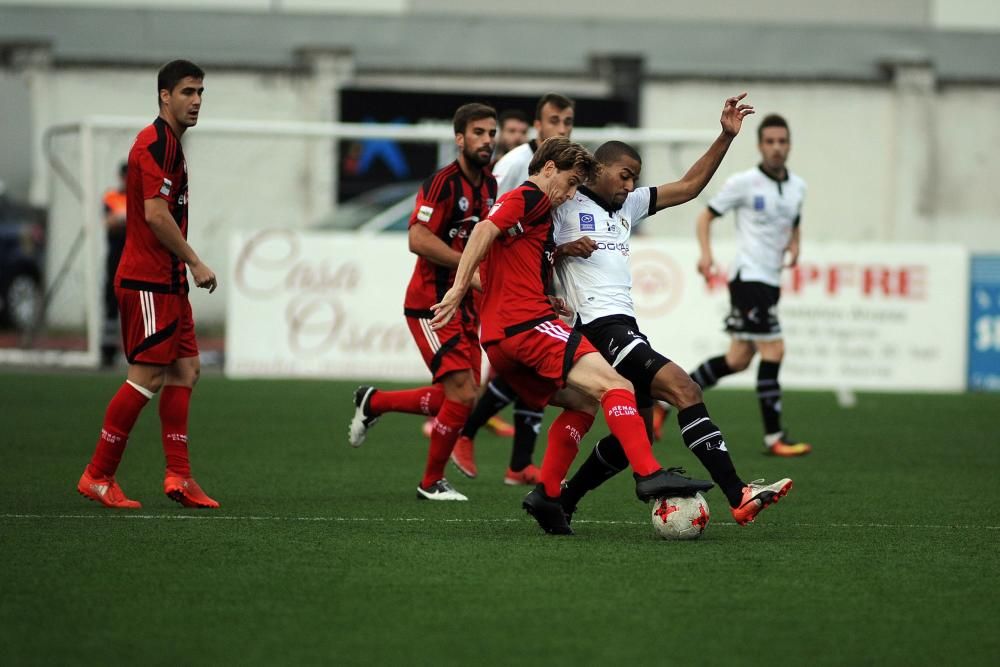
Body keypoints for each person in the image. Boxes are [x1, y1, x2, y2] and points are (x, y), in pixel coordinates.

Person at [431, 137, 713, 535]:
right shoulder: (530, 197)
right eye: (570, 182)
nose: (571, 192)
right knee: (617, 385)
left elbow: (502, 266)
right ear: (548, 170)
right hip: (527, 327)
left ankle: (547, 496)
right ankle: (649, 473)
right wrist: (458, 289)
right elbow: (482, 230)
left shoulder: (540, 218)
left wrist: (545, 294)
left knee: (582, 403)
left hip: (500, 339)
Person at [552, 94, 793, 526]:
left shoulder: (628, 204)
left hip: (623, 325)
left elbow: (689, 186)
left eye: (635, 179)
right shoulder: (566, 203)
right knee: (685, 389)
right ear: (598, 169)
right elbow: (524, 239)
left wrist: (725, 136)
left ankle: (561, 501)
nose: (629, 186)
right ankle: (738, 493)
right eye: (624, 176)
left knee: (637, 437)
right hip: (599, 327)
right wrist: (560, 251)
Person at [76, 59, 219, 509]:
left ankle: (179, 475)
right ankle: (98, 474)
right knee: (149, 375)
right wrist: (195, 261)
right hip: (148, 281)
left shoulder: (172, 146)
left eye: (200, 93)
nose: (196, 101)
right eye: (187, 92)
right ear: (164, 96)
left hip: (168, 282)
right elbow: (156, 215)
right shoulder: (154, 144)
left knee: (186, 369)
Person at [348, 103, 499, 501]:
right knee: (463, 393)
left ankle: (374, 401)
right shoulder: (443, 184)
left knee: (463, 396)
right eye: (479, 133)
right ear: (460, 138)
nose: (487, 140)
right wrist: (466, 266)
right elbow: (417, 237)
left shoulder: (490, 186)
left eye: (491, 133)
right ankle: (430, 482)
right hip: (432, 304)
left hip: (465, 303)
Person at [449, 92, 576, 486]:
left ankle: (518, 463)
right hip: (505, 280)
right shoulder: (519, 164)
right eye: (554, 121)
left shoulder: (567, 173)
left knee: (534, 373)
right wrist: (469, 279)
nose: (562, 128)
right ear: (538, 125)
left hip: (539, 275)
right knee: (526, 366)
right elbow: (486, 218)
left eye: (568, 121)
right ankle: (467, 431)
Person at [689, 113, 812, 457]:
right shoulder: (743, 182)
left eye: (782, 141)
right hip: (748, 278)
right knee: (775, 350)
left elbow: (795, 219)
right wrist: (706, 254)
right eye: (770, 142)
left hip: (770, 280)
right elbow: (706, 216)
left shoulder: (797, 186)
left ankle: (668, 399)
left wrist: (796, 242)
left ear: (788, 146)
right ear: (760, 146)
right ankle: (774, 438)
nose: (776, 148)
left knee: (738, 359)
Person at [100, 162, 129, 367]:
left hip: (135, 257)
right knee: (111, 302)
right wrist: (125, 218)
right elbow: (109, 223)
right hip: (116, 256)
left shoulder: (142, 195)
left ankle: (134, 350)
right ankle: (108, 351)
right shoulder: (112, 196)